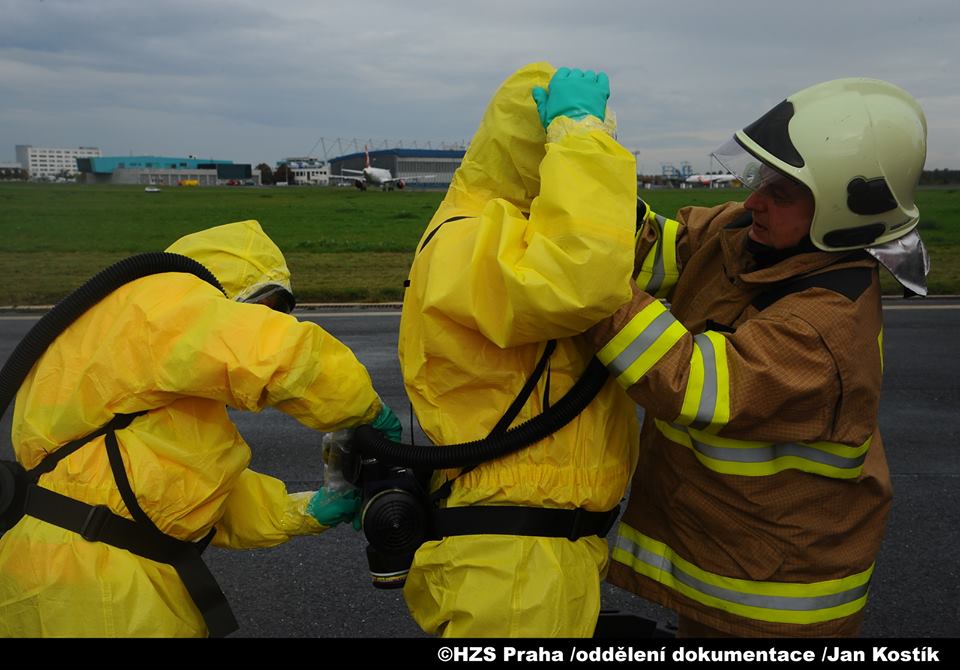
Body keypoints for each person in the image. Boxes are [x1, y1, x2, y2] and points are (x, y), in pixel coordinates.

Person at [587, 78, 928, 637]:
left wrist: (584, 279)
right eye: (762, 178)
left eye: (782, 191)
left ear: (843, 210)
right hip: (723, 545)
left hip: (775, 597)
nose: (754, 200)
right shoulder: (759, 236)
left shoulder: (822, 327)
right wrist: (584, 193)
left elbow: (684, 380)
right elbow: (666, 245)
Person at [0, 219, 401, 637]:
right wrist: (364, 412)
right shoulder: (162, 301)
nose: (271, 323)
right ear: (229, 292)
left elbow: (185, 491)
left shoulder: (143, 355)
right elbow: (279, 355)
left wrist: (308, 510)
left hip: (85, 572)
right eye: (266, 310)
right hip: (93, 585)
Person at [397, 63, 640, 637]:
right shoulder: (468, 236)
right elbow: (583, 278)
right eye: (561, 133)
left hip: (535, 552)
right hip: (513, 565)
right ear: (541, 143)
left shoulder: (518, 229)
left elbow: (616, 255)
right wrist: (581, 139)